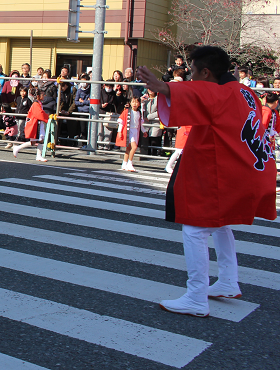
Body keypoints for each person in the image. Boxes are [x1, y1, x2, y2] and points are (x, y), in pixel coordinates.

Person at [137, 46, 277, 317]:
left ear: (205, 71)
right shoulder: (244, 92)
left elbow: (193, 93)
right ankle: (227, 281)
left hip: (220, 173)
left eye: (192, 71)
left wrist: (162, 87)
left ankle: (196, 296)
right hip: (244, 169)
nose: (190, 77)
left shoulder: (217, 92)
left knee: (195, 229)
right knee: (220, 225)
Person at [12, 89, 49, 162]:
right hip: (36, 124)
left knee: (37, 141)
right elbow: (39, 114)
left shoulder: (38, 103)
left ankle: (38, 155)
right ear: (38, 96)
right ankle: (37, 155)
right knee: (38, 140)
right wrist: (47, 117)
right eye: (42, 94)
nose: (44, 96)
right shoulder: (36, 104)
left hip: (37, 123)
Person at [116, 96, 143, 172]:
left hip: (136, 131)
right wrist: (119, 131)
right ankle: (130, 163)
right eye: (133, 102)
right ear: (130, 103)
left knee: (129, 148)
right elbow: (121, 121)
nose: (134, 104)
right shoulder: (127, 111)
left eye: (136, 102)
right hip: (129, 130)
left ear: (139, 104)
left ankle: (124, 163)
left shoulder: (139, 112)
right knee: (134, 147)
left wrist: (144, 131)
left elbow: (141, 123)